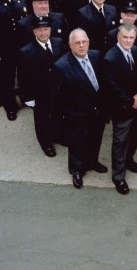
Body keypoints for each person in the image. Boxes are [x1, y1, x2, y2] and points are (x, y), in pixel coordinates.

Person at [54, 29, 107, 188]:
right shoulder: (61, 66)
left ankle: (92, 162)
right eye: (77, 42)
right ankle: (77, 171)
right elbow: (58, 96)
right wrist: (64, 117)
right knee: (77, 143)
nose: (82, 45)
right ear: (70, 45)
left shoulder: (96, 55)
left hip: (97, 110)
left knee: (96, 138)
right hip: (77, 113)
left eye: (84, 41)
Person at [102, 23, 137, 195]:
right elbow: (112, 87)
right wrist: (130, 101)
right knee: (120, 141)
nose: (128, 41)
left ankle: (129, 160)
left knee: (134, 135)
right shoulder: (110, 57)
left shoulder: (135, 51)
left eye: (131, 38)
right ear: (118, 37)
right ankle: (118, 177)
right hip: (121, 107)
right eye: (125, 37)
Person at [17, 15, 66, 157]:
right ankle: (46, 143)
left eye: (46, 29)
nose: (43, 33)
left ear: (50, 30)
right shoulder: (26, 51)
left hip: (57, 88)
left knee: (58, 114)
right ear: (34, 32)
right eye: (40, 30)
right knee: (42, 119)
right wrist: (28, 96)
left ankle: (58, 135)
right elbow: (23, 77)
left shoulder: (58, 42)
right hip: (40, 91)